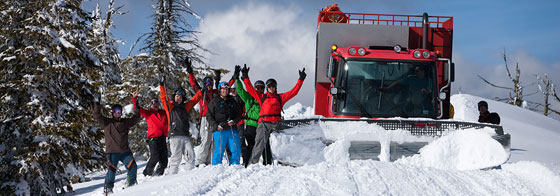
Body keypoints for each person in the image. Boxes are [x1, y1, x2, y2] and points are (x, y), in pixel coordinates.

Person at [241, 64, 306, 165]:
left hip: (276, 124)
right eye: (269, 86)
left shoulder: (280, 97)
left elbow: (294, 92)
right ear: (267, 88)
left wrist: (300, 80)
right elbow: (250, 89)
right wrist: (245, 77)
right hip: (263, 123)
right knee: (259, 144)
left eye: (273, 87)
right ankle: (253, 164)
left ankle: (271, 163)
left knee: (273, 144)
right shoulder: (261, 97)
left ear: (276, 88)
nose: (271, 88)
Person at [185, 58, 232, 166]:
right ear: (204, 84)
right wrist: (189, 71)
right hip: (206, 118)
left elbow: (226, 87)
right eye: (207, 83)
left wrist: (226, 78)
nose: (209, 84)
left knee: (215, 140)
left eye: (210, 82)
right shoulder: (202, 93)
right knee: (206, 140)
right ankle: (200, 161)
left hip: (216, 119)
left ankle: (212, 161)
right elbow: (193, 84)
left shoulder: (216, 92)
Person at [93, 96, 140, 194]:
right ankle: (108, 189)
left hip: (125, 151)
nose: (118, 113)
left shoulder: (125, 122)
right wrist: (97, 104)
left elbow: (136, 118)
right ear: (112, 112)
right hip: (112, 152)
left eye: (120, 111)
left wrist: (137, 105)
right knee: (111, 171)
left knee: (133, 167)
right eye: (117, 111)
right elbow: (97, 116)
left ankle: (130, 184)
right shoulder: (107, 122)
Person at [160, 76, 203, 174]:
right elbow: (163, 98)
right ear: (174, 97)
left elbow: (194, 100)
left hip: (185, 135)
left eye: (180, 96)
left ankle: (189, 174)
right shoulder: (170, 107)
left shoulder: (185, 107)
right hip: (174, 136)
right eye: (177, 96)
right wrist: (162, 86)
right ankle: (172, 175)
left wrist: (202, 91)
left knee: (190, 154)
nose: (179, 98)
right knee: (176, 157)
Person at [232, 65, 272, 167]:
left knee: (265, 144)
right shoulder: (249, 98)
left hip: (262, 124)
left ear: (264, 89)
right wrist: (237, 78)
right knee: (251, 145)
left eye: (261, 88)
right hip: (251, 125)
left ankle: (267, 164)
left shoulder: (265, 98)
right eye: (257, 87)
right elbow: (240, 90)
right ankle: (248, 164)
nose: (259, 90)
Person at [132, 91, 168, 176]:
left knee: (164, 159)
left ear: (159, 104)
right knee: (155, 156)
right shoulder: (148, 113)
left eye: (156, 103)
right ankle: (147, 173)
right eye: (153, 104)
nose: (155, 105)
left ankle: (159, 173)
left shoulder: (163, 112)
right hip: (153, 138)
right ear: (151, 105)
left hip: (162, 137)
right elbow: (137, 109)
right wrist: (135, 99)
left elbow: (169, 109)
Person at [207, 81, 242, 165]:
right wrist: (216, 126)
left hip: (231, 128)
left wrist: (234, 121)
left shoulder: (233, 101)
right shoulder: (214, 101)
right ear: (220, 90)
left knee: (236, 149)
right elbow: (209, 116)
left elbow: (239, 114)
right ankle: (216, 166)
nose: (225, 91)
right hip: (220, 129)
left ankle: (235, 165)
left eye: (227, 89)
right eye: (223, 89)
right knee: (219, 150)